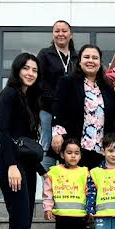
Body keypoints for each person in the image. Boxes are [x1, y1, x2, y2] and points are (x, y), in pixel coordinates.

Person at [0, 53, 42, 229]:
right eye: (26, 68)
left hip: (25, 168)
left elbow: (27, 145)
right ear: (17, 69)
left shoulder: (29, 98)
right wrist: (12, 165)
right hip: (11, 166)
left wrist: (44, 172)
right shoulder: (9, 94)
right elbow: (4, 132)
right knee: (19, 221)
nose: (30, 73)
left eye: (34, 69)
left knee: (25, 221)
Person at [51, 44, 115, 170]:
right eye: (86, 57)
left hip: (100, 150)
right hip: (76, 149)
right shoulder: (68, 82)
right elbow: (58, 108)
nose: (91, 61)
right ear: (80, 61)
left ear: (100, 62)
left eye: (95, 58)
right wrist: (57, 134)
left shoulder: (108, 87)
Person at [42, 139, 89, 229]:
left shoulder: (85, 172)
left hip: (79, 214)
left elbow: (89, 191)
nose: (73, 156)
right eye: (69, 153)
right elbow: (48, 192)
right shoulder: (54, 171)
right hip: (61, 213)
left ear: (80, 155)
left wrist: (90, 209)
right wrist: (47, 208)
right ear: (62, 154)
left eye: (76, 153)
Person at [37, 21, 78, 168]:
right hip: (48, 108)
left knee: (68, 146)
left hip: (70, 112)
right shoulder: (45, 54)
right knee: (49, 146)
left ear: (71, 35)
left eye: (64, 31)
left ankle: (65, 185)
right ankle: (47, 184)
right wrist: (55, 99)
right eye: (57, 31)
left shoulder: (76, 57)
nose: (61, 34)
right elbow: (39, 80)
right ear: (52, 34)